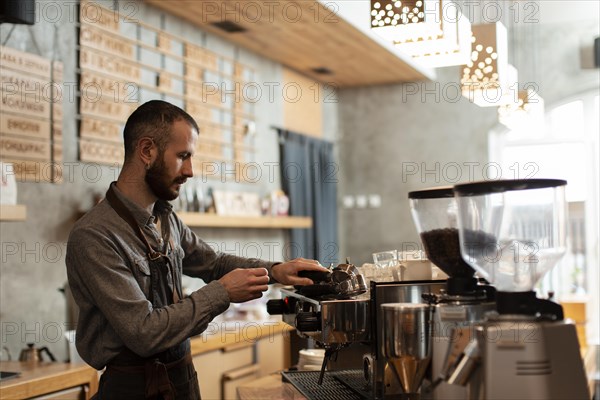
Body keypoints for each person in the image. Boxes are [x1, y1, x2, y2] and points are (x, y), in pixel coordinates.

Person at [66, 100, 328, 399]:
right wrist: (223, 292)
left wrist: (275, 270)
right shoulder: (94, 235)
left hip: (183, 379)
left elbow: (213, 263)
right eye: (183, 156)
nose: (190, 171)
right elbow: (144, 332)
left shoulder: (166, 218)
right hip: (132, 390)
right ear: (147, 151)